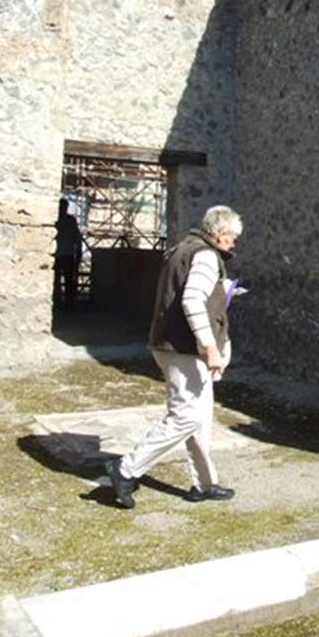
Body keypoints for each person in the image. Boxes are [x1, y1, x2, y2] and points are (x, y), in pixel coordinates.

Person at [105, 205, 243, 509]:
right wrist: (210, 347)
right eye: (233, 236)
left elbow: (188, 294)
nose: (234, 243)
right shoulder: (205, 255)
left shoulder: (183, 248)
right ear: (220, 232)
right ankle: (126, 468)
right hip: (183, 348)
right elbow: (192, 300)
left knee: (199, 419)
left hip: (175, 345)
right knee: (186, 416)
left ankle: (205, 484)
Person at [53, 198, 82, 311]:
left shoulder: (68, 221)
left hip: (63, 254)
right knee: (60, 281)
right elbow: (77, 238)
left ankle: (65, 304)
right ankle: (60, 303)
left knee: (66, 281)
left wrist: (78, 251)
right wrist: (78, 251)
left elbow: (77, 237)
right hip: (61, 254)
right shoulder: (67, 220)